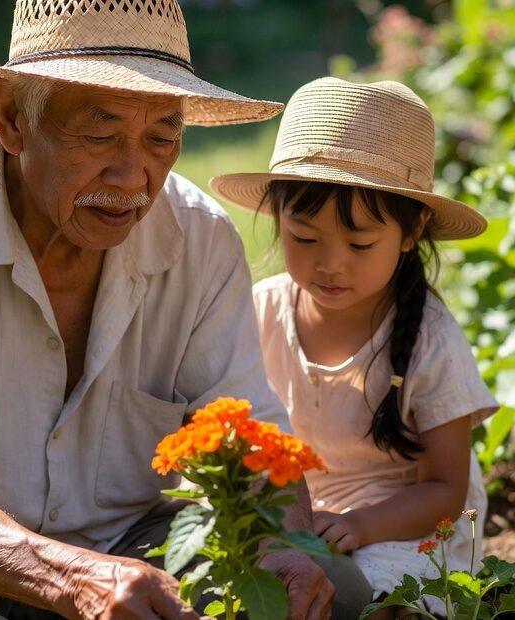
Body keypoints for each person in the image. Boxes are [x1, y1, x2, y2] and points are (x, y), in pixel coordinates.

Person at [0, 2, 352, 619]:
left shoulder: (200, 239)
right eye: (100, 133)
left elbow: (252, 438)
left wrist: (279, 545)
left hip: (128, 545)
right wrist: (71, 579)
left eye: (162, 136)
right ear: (12, 118)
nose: (133, 174)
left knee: (332, 591)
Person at [211, 77, 500, 617]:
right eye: (304, 237)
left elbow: (446, 489)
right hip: (298, 521)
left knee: (364, 602)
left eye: (360, 242)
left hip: (403, 529)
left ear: (411, 231)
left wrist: (359, 525)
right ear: (276, 217)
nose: (330, 264)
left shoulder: (428, 338)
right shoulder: (263, 310)